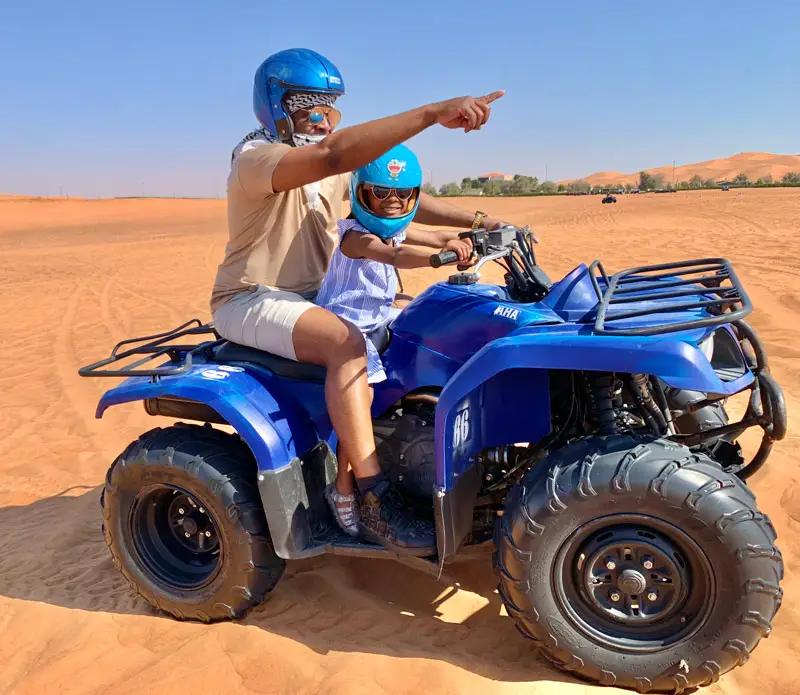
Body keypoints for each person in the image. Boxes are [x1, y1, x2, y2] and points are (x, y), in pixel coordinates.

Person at [210, 47, 510, 556]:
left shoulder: (326, 165)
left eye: (330, 106)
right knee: (347, 345)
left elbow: (397, 197)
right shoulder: (258, 160)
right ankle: (371, 495)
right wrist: (432, 114)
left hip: (320, 296)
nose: (322, 118)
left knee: (426, 324)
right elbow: (337, 155)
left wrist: (481, 223)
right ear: (276, 104)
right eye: (309, 105)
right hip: (253, 298)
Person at [315, 144, 472, 539]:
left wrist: (469, 238)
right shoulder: (353, 235)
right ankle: (345, 488)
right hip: (347, 326)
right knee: (362, 399)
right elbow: (394, 255)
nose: (393, 201)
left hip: (379, 318)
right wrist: (437, 259)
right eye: (381, 193)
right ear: (361, 193)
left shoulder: (398, 227)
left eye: (402, 194)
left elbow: (434, 233)